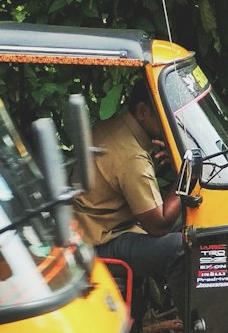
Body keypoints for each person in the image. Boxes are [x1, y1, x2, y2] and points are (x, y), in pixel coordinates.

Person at [73, 79, 185, 316]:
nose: (171, 124)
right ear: (143, 111)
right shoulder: (131, 156)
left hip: (94, 228)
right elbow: (158, 224)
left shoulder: (114, 128)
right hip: (99, 242)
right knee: (180, 248)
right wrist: (184, 179)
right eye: (165, 117)